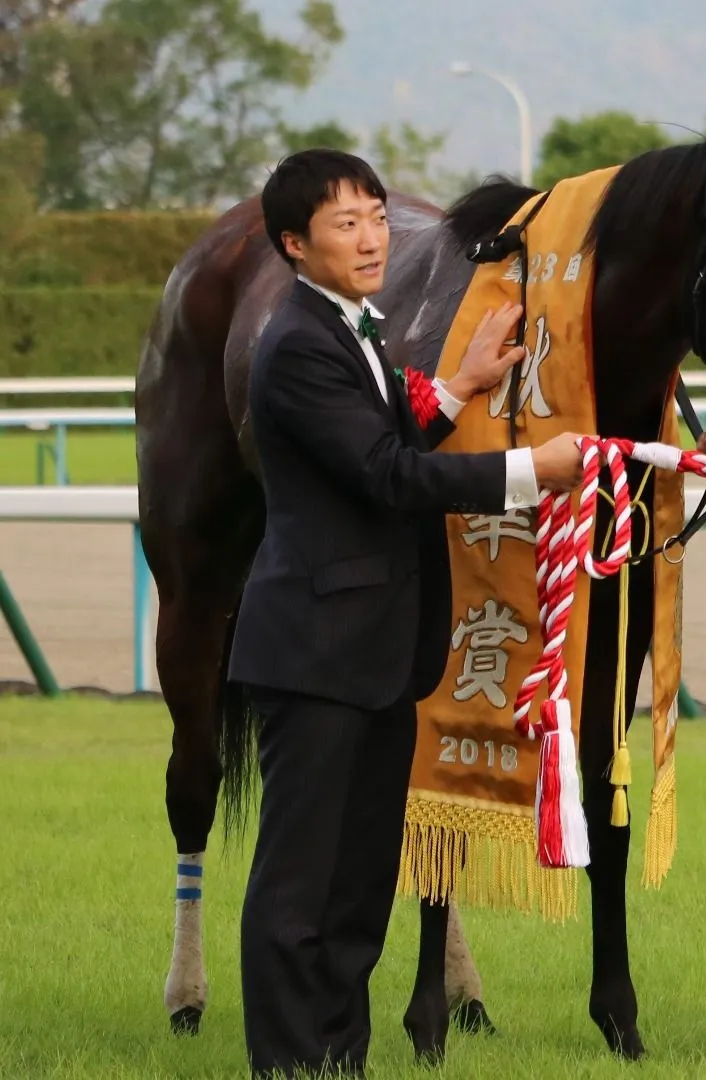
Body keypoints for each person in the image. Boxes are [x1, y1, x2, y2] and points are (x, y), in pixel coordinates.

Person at [229, 149, 585, 1078]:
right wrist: (528, 471)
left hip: (381, 652)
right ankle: (287, 1061)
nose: (373, 235)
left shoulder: (358, 326)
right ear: (294, 244)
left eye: (377, 215)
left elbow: (383, 434)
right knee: (300, 885)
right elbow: (387, 476)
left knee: (357, 884)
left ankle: (339, 1054)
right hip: (314, 652)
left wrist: (460, 385)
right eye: (345, 223)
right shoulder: (300, 339)